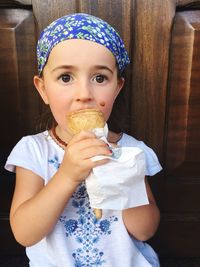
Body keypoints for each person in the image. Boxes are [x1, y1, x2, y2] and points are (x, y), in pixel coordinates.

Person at [5, 13, 162, 267]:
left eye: (100, 78)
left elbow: (145, 231)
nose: (84, 95)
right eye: (66, 78)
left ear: (117, 87)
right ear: (43, 89)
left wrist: (124, 177)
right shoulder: (33, 150)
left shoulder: (131, 150)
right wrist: (67, 175)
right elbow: (25, 233)